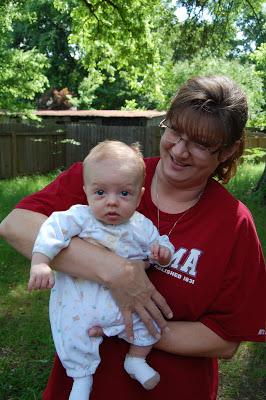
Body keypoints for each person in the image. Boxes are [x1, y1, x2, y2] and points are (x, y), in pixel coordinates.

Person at [0, 75, 265, 400]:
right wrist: (115, 272)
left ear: (228, 151)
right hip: (82, 388)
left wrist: (137, 329)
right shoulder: (110, 177)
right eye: (175, 131)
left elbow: (225, 339)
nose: (179, 151)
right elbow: (16, 225)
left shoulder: (233, 223)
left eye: (200, 143)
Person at [28, 140, 174, 400]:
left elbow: (160, 245)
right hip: (79, 301)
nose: (112, 202)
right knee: (72, 336)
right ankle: (81, 380)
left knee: (148, 323)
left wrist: (163, 254)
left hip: (125, 305)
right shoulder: (79, 217)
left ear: (139, 195)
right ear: (85, 191)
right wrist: (40, 262)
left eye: (124, 194)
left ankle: (136, 359)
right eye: (100, 193)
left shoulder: (141, 226)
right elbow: (52, 231)